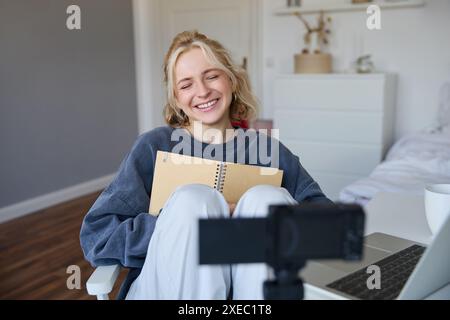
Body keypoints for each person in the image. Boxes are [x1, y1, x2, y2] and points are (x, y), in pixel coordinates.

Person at [80, 30, 332, 300]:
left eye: (212, 76)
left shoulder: (266, 150)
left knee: (267, 200)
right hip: (166, 288)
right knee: (193, 201)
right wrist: (172, 225)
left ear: (232, 81)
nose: (202, 91)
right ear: (176, 98)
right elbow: (98, 237)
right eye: (186, 85)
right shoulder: (153, 146)